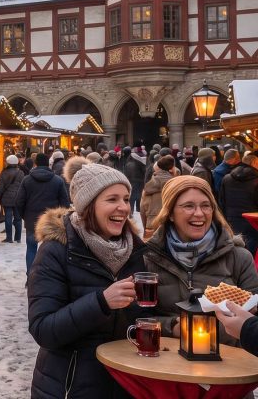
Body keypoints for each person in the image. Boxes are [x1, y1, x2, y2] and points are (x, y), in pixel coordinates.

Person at [28, 160, 146, 398]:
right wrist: (101, 302)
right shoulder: (56, 250)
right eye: (112, 199)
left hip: (125, 384)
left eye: (125, 199)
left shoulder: (135, 250)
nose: (123, 207)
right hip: (70, 386)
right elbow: (43, 329)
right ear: (88, 205)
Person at [143, 175, 258, 343]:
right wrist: (172, 327)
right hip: (167, 356)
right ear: (170, 214)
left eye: (206, 205)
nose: (199, 213)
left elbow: (253, 320)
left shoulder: (239, 257)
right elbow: (138, 318)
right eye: (188, 206)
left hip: (229, 356)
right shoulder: (149, 258)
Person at [14, 153, 70, 276]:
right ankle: (48, 276)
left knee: (31, 249)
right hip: (51, 222)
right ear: (48, 164)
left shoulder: (27, 180)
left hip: (32, 220)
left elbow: (19, 201)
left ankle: (31, 277)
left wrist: (25, 216)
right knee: (51, 250)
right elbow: (65, 203)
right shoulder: (58, 180)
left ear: (35, 163)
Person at [218, 152, 258, 256]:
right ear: (254, 163)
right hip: (252, 221)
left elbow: (222, 201)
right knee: (251, 250)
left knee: (235, 250)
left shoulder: (226, 178)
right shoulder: (256, 180)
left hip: (232, 220)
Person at [139, 155, 176, 240]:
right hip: (170, 226)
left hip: (151, 225)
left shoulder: (148, 187)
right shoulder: (175, 185)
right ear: (171, 168)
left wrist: (145, 227)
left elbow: (142, 210)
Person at [0, 154, 24, 243]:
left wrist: (0, 195)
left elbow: (0, 187)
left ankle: (9, 238)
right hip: (18, 197)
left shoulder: (4, 173)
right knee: (18, 218)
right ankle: (18, 238)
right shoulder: (20, 173)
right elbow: (23, 186)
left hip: (7, 198)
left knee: (8, 217)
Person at [123, 146, 146, 214]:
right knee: (139, 196)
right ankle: (139, 209)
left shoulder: (128, 164)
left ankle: (131, 210)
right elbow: (144, 172)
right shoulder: (140, 163)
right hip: (140, 182)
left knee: (132, 197)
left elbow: (125, 174)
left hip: (131, 182)